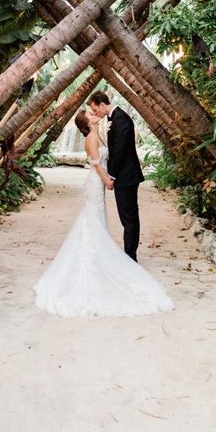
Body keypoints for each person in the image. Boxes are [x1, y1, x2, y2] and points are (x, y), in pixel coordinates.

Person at [34, 109, 174, 317]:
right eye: (89, 114)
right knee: (92, 220)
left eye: (93, 111)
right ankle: (93, 260)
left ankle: (99, 256)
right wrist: (108, 179)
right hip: (94, 183)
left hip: (99, 183)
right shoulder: (91, 138)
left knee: (97, 220)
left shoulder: (98, 133)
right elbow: (97, 163)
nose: (93, 113)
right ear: (86, 122)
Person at [87, 91, 143, 262]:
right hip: (124, 176)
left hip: (127, 177)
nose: (95, 113)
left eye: (95, 109)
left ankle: (131, 257)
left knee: (129, 218)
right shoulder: (113, 118)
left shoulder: (121, 119)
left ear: (102, 104)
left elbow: (119, 151)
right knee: (127, 217)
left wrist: (110, 176)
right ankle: (129, 254)